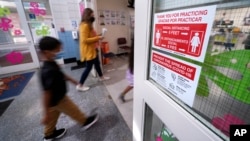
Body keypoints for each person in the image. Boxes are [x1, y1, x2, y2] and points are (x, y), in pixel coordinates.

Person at [38, 36, 99, 141]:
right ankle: (85, 122)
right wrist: (45, 113)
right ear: (47, 52)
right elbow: (46, 93)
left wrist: (72, 80)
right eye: (57, 50)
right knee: (73, 110)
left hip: (53, 103)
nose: (59, 51)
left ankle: (49, 134)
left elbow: (60, 75)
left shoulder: (51, 63)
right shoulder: (48, 71)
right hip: (59, 99)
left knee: (53, 118)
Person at [77, 8, 110, 92]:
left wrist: (100, 35)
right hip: (89, 51)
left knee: (97, 64)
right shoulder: (84, 26)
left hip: (93, 49)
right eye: (92, 15)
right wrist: (98, 37)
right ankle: (80, 85)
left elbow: (92, 37)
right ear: (87, 16)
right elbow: (85, 40)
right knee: (88, 68)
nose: (94, 16)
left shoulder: (89, 25)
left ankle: (101, 77)